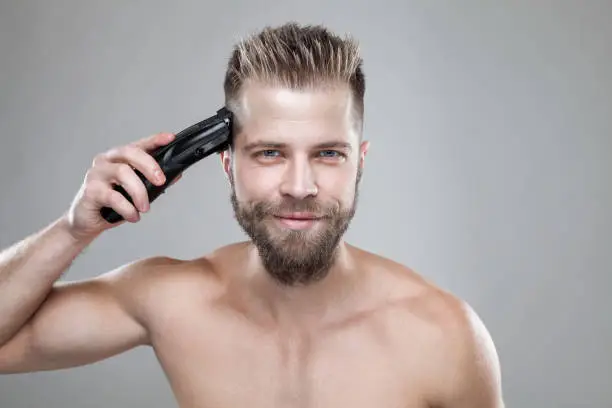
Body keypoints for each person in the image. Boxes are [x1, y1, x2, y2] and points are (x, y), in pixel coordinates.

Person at [0, 22, 504, 407]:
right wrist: (75, 231)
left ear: (360, 162)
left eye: (328, 153)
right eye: (270, 153)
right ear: (226, 162)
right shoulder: (174, 302)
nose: (300, 187)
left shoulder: (443, 336)